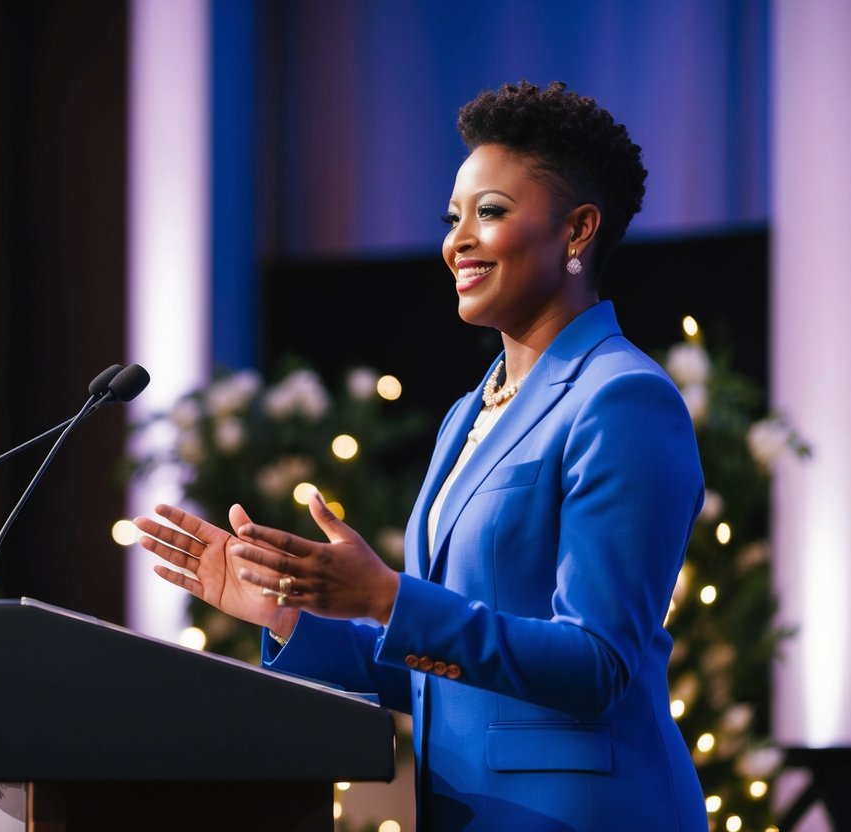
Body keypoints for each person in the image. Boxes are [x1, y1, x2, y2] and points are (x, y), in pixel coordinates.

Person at [134, 79, 708, 832]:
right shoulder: (467, 414)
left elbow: (596, 666)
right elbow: (445, 675)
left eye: (490, 213)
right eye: (452, 218)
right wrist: (282, 615)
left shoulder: (621, 398)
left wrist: (384, 597)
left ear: (577, 231)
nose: (456, 240)